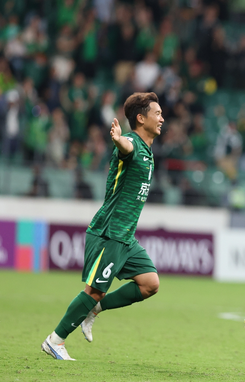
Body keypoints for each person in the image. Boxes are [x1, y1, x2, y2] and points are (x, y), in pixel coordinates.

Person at [41, 92, 163, 361]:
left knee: (150, 283)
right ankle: (55, 340)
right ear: (140, 118)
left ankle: (95, 309)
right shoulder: (132, 141)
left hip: (125, 237)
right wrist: (119, 140)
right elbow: (125, 148)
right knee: (94, 290)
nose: (162, 118)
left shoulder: (148, 149)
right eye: (157, 113)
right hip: (109, 232)